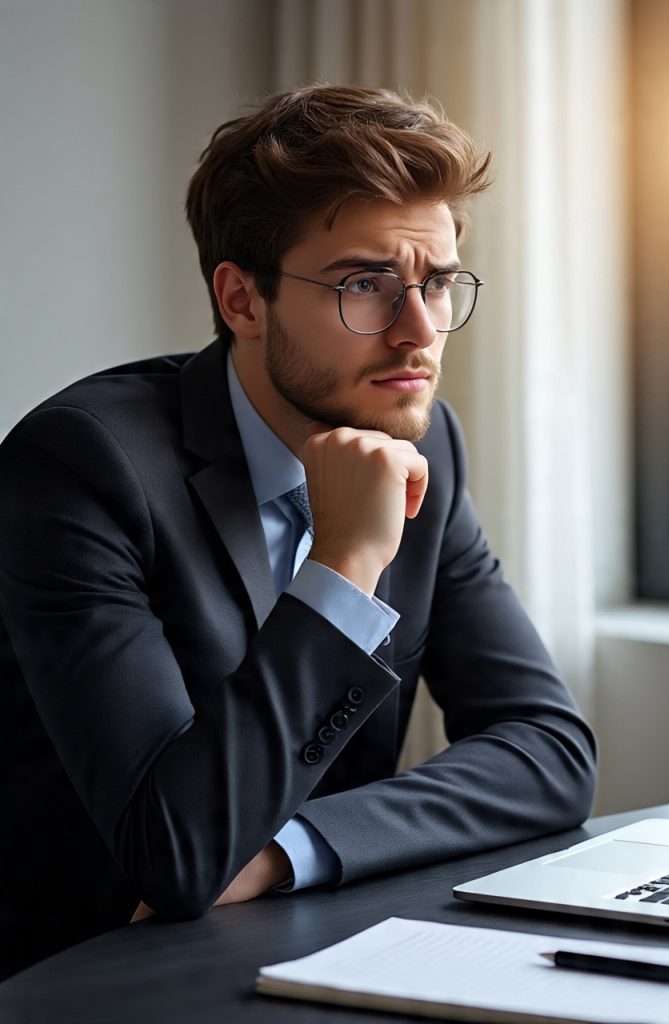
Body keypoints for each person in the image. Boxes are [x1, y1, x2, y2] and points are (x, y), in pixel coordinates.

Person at [0, 84, 597, 979]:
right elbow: (178, 853)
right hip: (94, 974)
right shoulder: (80, 467)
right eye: (367, 284)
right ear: (243, 300)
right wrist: (347, 564)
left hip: (315, 941)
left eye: (436, 283)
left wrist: (287, 851)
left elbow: (549, 753)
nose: (419, 332)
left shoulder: (423, 439)